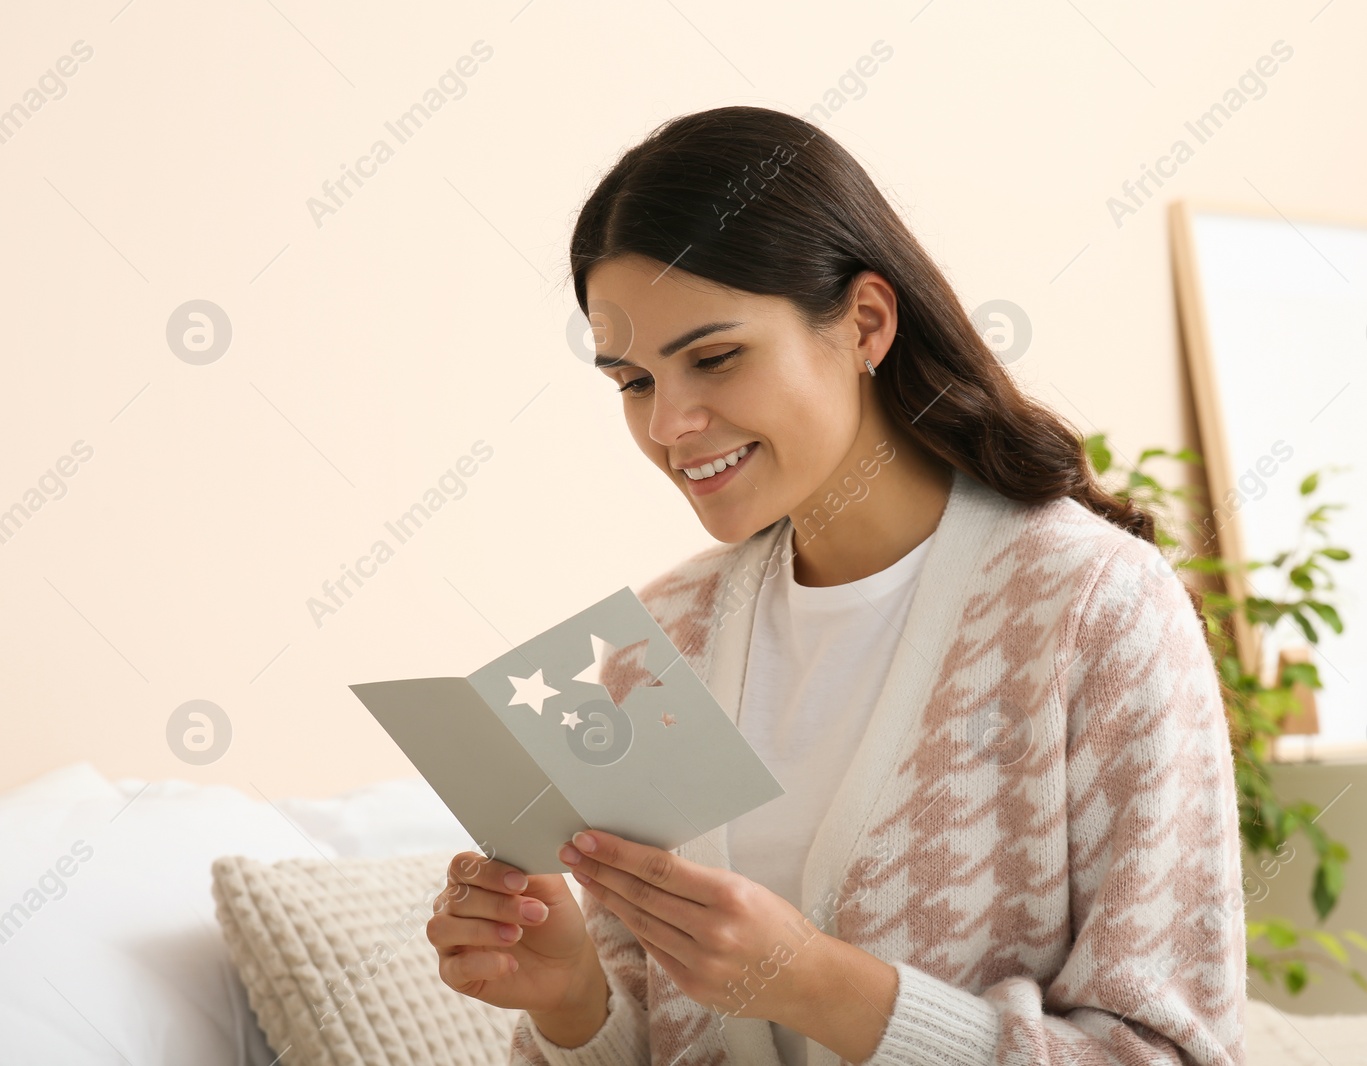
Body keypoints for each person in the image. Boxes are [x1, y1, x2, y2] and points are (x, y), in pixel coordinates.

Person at [426, 105, 1246, 1065]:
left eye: (715, 357)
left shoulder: (1094, 608)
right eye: (633, 382)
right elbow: (659, 1040)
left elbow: (1171, 1054)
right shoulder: (656, 640)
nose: (670, 424)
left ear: (865, 322)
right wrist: (572, 1006)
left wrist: (817, 985)